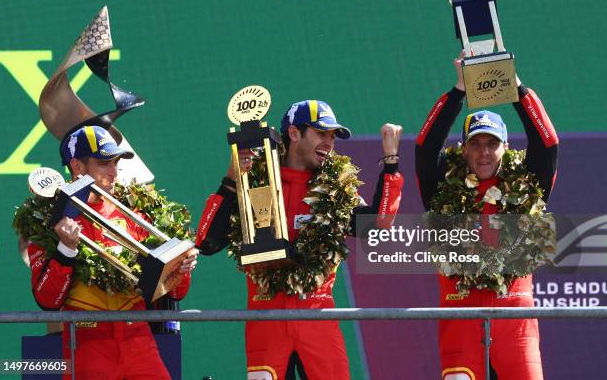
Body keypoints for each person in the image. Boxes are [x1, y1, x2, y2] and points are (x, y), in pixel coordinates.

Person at [195, 100, 404, 380]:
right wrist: (231, 179)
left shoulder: (335, 191)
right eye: (321, 133)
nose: (329, 143)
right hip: (265, 323)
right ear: (294, 134)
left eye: (333, 136)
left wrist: (391, 162)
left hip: (318, 319)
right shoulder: (256, 182)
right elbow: (206, 243)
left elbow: (378, 223)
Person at [415, 54, 558, 380]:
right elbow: (426, 147)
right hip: (460, 322)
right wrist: (458, 90)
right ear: (463, 149)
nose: (483, 152)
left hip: (516, 326)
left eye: (491, 144)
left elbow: (547, 143)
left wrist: (515, 86)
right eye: (475, 143)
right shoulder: (441, 192)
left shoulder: (527, 188)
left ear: (506, 147)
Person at [26, 125, 198, 380]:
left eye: (116, 163)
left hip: (138, 340)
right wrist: (66, 250)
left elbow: (175, 292)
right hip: (87, 343)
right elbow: (47, 301)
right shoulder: (48, 224)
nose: (114, 172)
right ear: (77, 166)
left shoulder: (135, 217)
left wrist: (181, 269)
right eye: (104, 163)